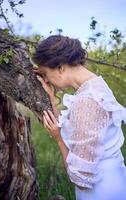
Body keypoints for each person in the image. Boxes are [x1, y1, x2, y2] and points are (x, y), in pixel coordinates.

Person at [32, 35, 126, 200]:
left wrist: (58, 139)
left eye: (45, 73)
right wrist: (52, 100)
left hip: (100, 192)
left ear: (61, 67)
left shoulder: (87, 101)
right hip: (111, 181)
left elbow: (81, 178)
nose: (45, 79)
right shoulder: (95, 87)